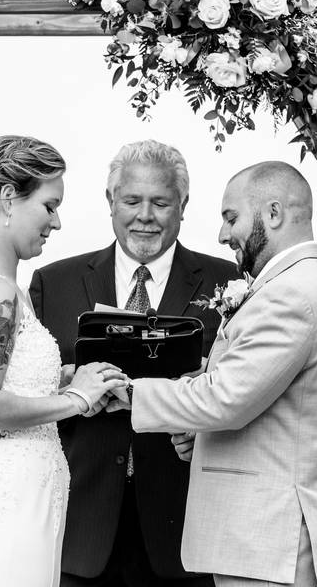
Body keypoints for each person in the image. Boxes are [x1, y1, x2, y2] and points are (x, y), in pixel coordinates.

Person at [129, 161, 317, 587]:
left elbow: (225, 400)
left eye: (231, 217)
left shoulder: (291, 296)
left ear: (273, 214)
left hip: (271, 541)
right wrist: (201, 436)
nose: (222, 234)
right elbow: (272, 408)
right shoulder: (305, 286)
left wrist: (126, 392)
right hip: (265, 543)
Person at [29, 140, 236, 587]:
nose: (145, 215)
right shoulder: (54, 283)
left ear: (182, 205)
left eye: (160, 202)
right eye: (132, 201)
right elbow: (26, 393)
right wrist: (67, 387)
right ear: (110, 202)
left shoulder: (231, 284)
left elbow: (244, 392)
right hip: (81, 533)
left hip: (184, 533)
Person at [0, 135, 127, 587]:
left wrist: (63, 381)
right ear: (8, 199)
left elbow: (0, 382)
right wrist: (75, 399)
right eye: (49, 205)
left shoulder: (0, 288)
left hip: (25, 509)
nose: (56, 222)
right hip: (5, 520)